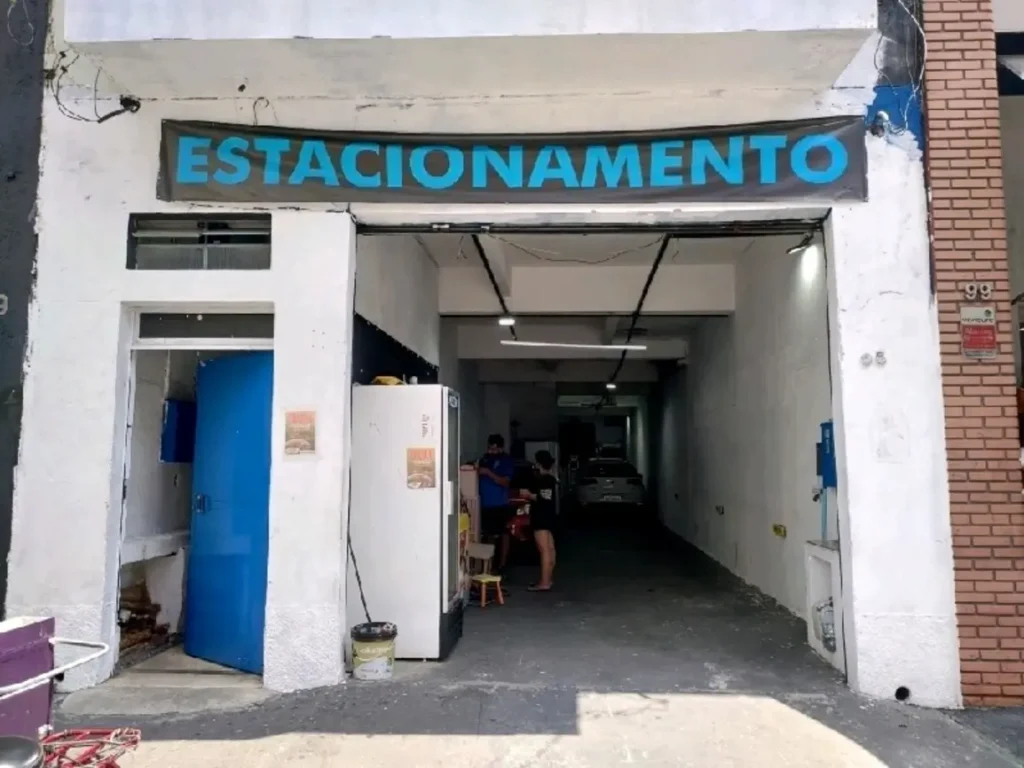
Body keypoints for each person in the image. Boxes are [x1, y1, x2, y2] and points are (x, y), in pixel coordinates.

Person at [521, 449, 558, 592]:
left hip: (541, 517)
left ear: (539, 463)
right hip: (549, 517)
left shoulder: (544, 480)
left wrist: (529, 495)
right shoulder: (551, 479)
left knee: (544, 549)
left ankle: (544, 582)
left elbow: (543, 498)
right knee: (550, 548)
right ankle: (549, 578)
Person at [478, 434, 515, 573]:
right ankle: (489, 566)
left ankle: (503, 565)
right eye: (489, 448)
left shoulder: (506, 461)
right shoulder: (485, 458)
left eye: (493, 449)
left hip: (500, 504)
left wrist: (488, 472)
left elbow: (505, 482)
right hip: (484, 504)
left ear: (500, 448)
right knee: (488, 535)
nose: (491, 451)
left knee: (503, 534)